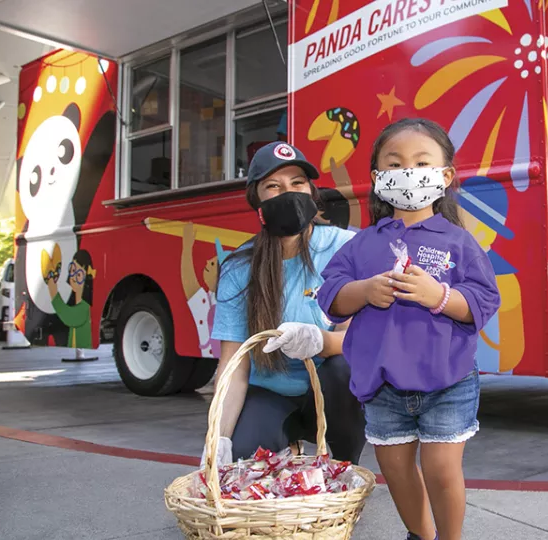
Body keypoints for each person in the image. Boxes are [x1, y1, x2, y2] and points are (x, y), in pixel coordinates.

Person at [317, 118, 500, 540]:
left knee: (440, 469)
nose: (409, 172)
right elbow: (330, 295)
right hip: (381, 388)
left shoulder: (458, 242)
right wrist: (364, 291)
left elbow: (483, 301)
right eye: (395, 164)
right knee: (396, 473)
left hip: (447, 381)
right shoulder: (362, 243)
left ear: (445, 176)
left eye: (421, 163)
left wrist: (438, 295)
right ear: (379, 178)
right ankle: (421, 535)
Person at [204, 141, 366, 468]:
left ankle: (347, 465)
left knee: (345, 368)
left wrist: (321, 341)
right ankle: (284, 443)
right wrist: (217, 436)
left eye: (297, 183)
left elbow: (360, 340)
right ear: (256, 200)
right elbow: (233, 366)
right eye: (273, 186)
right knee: (243, 463)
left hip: (332, 390)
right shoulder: (239, 268)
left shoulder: (348, 248)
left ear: (312, 191)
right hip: (271, 393)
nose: (288, 193)